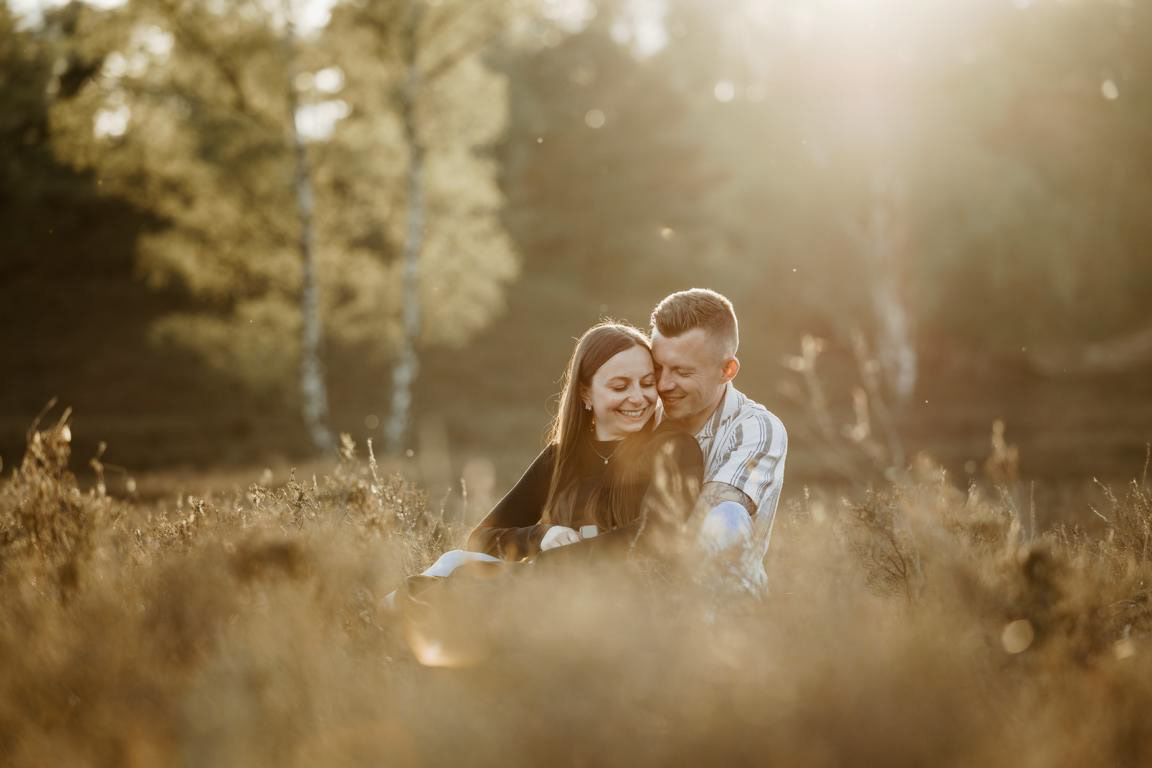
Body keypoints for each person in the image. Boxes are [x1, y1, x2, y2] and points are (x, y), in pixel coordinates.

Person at [396, 322, 703, 590]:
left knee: (457, 580)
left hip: (620, 605)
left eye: (647, 383)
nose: (638, 397)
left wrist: (542, 567)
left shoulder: (675, 448)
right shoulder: (560, 458)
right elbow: (482, 538)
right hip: (546, 594)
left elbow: (652, 538)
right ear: (585, 394)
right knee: (452, 562)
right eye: (620, 386)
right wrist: (541, 535)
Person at [648, 288, 788, 586]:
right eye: (657, 367)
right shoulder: (638, 415)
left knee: (726, 517)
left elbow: (713, 522)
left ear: (727, 369)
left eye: (682, 372)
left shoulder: (757, 428)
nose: (663, 384)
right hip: (634, 597)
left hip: (722, 599)